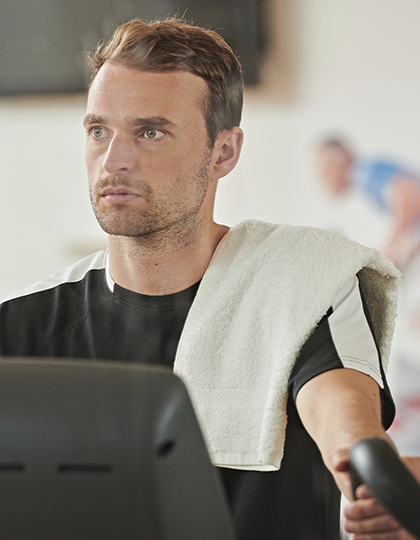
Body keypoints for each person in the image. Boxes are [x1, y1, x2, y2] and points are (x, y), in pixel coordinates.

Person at [0, 17, 416, 540]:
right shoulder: (22, 324)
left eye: (150, 132)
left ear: (223, 152)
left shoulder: (306, 283)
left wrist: (371, 475)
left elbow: (344, 423)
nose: (114, 161)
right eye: (98, 131)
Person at [316, 137, 420, 271]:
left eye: (323, 171)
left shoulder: (364, 173)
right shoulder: (365, 175)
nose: (323, 181)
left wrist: (386, 252)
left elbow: (408, 194)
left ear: (336, 158)